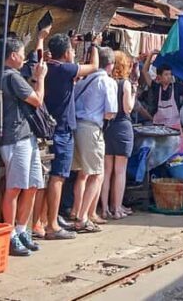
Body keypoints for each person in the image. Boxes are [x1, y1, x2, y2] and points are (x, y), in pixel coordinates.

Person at [43, 33, 100, 240]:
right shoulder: (64, 69)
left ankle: (46, 221)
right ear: (66, 53)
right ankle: (52, 225)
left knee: (50, 177)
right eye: (71, 50)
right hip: (62, 129)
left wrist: (70, 47)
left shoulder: (49, 67)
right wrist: (94, 45)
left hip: (51, 127)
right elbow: (94, 66)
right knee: (58, 177)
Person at [0, 35, 48, 256]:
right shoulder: (12, 77)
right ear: (13, 55)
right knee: (15, 188)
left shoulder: (10, 76)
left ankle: (21, 229)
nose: (23, 57)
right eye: (21, 53)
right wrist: (41, 78)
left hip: (26, 137)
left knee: (32, 185)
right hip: (16, 137)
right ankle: (10, 234)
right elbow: (37, 100)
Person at [69, 46, 117, 233]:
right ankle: (83, 218)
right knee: (97, 174)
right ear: (110, 65)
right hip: (92, 128)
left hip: (77, 127)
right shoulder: (108, 82)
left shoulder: (83, 80)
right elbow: (110, 111)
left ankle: (77, 211)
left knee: (83, 173)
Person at [141, 53, 183, 153]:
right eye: (166, 74)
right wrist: (150, 55)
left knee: (177, 155)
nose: (169, 77)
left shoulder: (177, 87)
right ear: (159, 77)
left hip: (174, 129)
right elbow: (144, 71)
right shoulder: (155, 87)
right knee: (160, 155)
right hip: (159, 130)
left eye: (170, 74)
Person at [101, 51, 137, 220]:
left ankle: (105, 209)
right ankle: (117, 209)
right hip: (122, 126)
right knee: (120, 171)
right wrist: (134, 93)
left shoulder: (107, 82)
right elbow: (128, 108)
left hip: (108, 128)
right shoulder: (125, 84)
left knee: (107, 171)